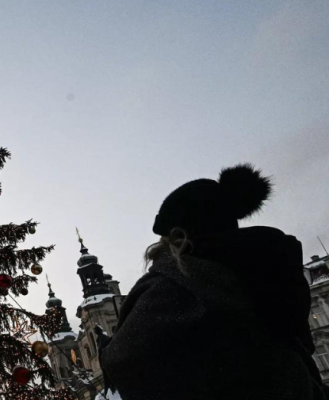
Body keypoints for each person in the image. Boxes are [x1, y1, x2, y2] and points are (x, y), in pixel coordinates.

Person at [100, 164, 329, 399]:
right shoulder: (270, 269)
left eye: (163, 242)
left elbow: (124, 361)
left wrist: (105, 347)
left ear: (178, 238)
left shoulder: (179, 284)